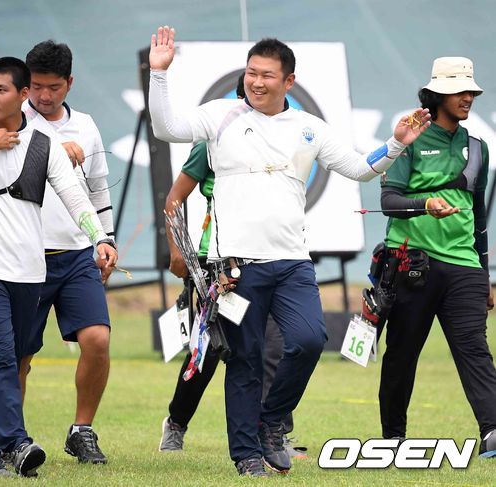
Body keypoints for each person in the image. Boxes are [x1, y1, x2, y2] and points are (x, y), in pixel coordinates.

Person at [147, 26, 431, 476]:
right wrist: (159, 75)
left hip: (293, 263)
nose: (255, 82)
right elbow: (165, 127)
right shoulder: (220, 115)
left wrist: (396, 143)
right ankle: (246, 457)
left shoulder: (308, 127)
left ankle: (272, 423)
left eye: (267, 75)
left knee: (309, 340)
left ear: (289, 82)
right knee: (244, 360)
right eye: (250, 73)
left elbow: (360, 169)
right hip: (235, 269)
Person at [0, 57, 117, 477]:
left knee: (13, 356)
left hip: (29, 275)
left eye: (2, 89)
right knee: (2, 358)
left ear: (22, 96)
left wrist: (100, 237)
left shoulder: (43, 143)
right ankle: (17, 443)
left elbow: (75, 197)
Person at [159, 75, 306, 460]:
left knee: (273, 347)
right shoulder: (214, 140)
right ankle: (177, 420)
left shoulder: (281, 140)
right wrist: (178, 251)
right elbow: (174, 200)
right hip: (218, 265)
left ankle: (273, 432)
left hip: (272, 262)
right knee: (210, 352)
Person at [378, 56, 496, 458]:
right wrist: (426, 203)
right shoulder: (411, 139)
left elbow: (479, 217)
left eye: (471, 92)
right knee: (402, 354)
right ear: (438, 95)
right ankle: (393, 437)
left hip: (464, 267)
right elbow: (389, 201)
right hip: (414, 262)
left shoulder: (477, 147)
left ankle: (493, 431)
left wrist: (485, 274)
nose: (468, 98)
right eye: (460, 91)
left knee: (474, 349)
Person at [19, 40, 115, 465]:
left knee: (97, 339)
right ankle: (12, 437)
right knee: (19, 354)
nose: (44, 96)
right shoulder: (10, 122)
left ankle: (82, 430)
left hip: (77, 254)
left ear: (69, 83)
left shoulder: (88, 127)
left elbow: (97, 190)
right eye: (36, 85)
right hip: (23, 254)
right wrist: (52, 153)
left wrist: (105, 240)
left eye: (54, 86)